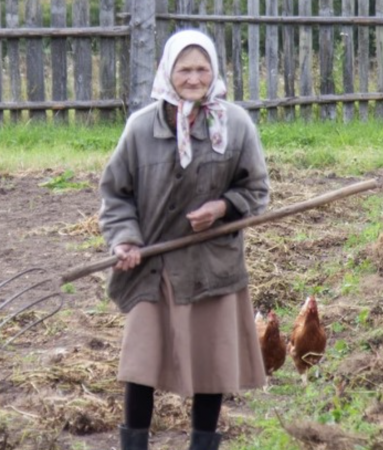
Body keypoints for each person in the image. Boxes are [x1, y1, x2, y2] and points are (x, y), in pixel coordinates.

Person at [98, 29, 270, 450]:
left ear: (213, 72)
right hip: (153, 264)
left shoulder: (236, 124)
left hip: (213, 264)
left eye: (202, 69)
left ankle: (202, 444)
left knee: (211, 363)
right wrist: (124, 240)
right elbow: (116, 194)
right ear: (167, 72)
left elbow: (256, 191)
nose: (194, 79)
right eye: (185, 69)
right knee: (142, 363)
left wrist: (222, 208)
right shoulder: (141, 128)